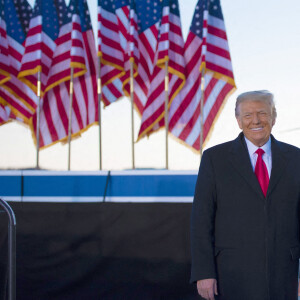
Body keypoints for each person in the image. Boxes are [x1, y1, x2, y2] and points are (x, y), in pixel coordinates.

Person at [190, 90, 300, 300]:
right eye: (248, 115)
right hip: (231, 276)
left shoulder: (296, 159)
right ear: (238, 121)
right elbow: (201, 220)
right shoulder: (215, 159)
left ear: (274, 117)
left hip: (284, 276)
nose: (256, 120)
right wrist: (204, 272)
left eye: (262, 113)